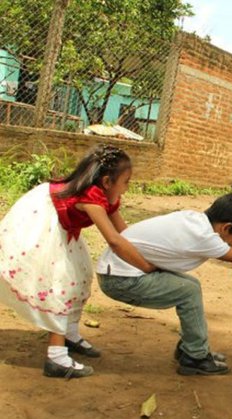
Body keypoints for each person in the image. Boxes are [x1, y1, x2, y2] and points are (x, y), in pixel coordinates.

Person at [96, 193, 232, 376]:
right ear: (226, 227)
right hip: (120, 279)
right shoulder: (205, 238)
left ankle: (190, 347)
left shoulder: (194, 219)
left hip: (117, 270)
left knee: (189, 285)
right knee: (189, 291)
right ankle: (195, 357)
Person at [0, 145, 155, 379]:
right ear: (106, 181)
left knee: (81, 276)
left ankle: (69, 333)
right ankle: (56, 358)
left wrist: (154, 252)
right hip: (42, 222)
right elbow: (113, 240)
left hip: (64, 227)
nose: (127, 188)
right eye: (126, 182)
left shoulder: (107, 198)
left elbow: (124, 233)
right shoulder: (90, 197)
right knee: (59, 284)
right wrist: (146, 267)